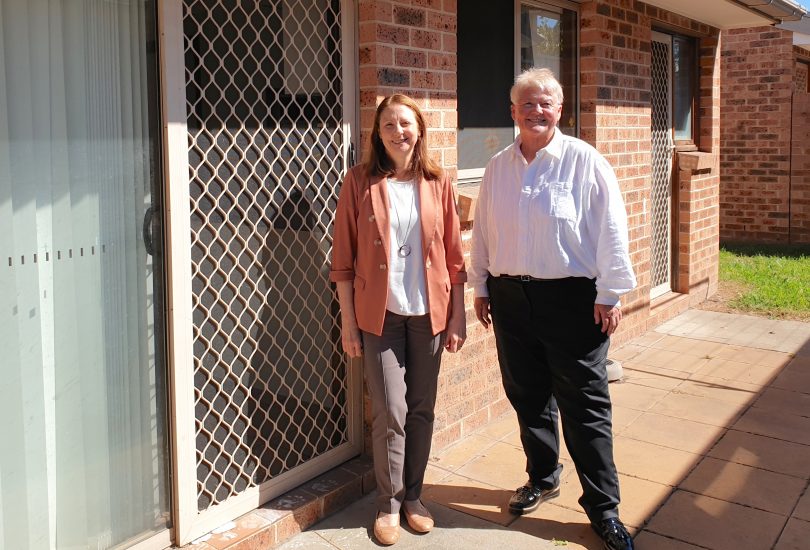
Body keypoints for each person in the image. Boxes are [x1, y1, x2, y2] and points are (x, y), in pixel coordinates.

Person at [469, 68, 637, 550]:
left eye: (545, 103)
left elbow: (611, 228)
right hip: (510, 299)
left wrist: (611, 292)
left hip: (572, 301)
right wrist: (481, 285)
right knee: (527, 395)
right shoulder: (499, 166)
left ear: (558, 110)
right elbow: (483, 232)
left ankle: (604, 509)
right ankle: (543, 476)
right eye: (527, 103)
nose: (536, 111)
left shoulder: (585, 161)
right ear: (513, 111)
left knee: (585, 406)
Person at [330, 94, 467, 546]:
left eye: (405, 123)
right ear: (378, 133)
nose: (398, 131)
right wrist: (349, 323)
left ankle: (413, 498)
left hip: (429, 314)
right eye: (388, 124)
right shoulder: (359, 182)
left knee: (422, 409)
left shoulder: (437, 182)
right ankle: (388, 505)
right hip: (380, 316)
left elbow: (453, 256)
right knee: (391, 410)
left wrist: (457, 317)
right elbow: (343, 262)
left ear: (419, 129)